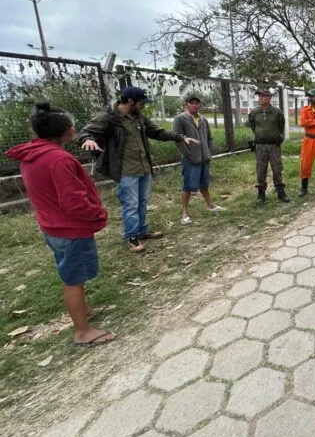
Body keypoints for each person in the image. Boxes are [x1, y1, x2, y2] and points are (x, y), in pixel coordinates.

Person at [6, 104, 114, 347]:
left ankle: (83, 312)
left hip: (52, 226)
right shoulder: (59, 159)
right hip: (69, 229)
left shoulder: (32, 156)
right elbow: (73, 202)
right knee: (73, 279)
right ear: (69, 130)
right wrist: (98, 214)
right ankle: (82, 332)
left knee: (72, 274)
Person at [77, 86, 199, 252]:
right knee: (131, 205)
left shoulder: (138, 117)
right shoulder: (108, 117)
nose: (143, 106)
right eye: (141, 103)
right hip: (126, 170)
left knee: (142, 202)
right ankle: (131, 237)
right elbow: (85, 132)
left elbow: (157, 132)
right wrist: (87, 139)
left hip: (143, 167)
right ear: (130, 101)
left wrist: (180, 137)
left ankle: (142, 231)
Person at [173, 95, 224, 223]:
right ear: (187, 105)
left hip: (204, 158)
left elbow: (209, 137)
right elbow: (177, 138)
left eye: (197, 103)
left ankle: (210, 205)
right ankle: (184, 213)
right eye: (192, 103)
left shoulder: (203, 119)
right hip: (191, 159)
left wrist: (208, 152)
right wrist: (188, 154)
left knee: (204, 184)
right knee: (188, 186)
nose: (194, 105)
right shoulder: (180, 119)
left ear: (200, 105)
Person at [248, 88, 290, 204]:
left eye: (263, 96)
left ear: (269, 97)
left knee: (277, 168)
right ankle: (261, 194)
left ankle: (281, 192)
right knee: (261, 169)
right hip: (260, 145)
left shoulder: (277, 112)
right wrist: (260, 135)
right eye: (259, 96)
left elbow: (281, 126)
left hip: (274, 145)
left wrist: (278, 137)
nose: (260, 98)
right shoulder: (254, 112)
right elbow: (252, 126)